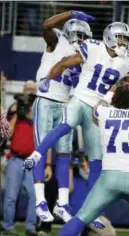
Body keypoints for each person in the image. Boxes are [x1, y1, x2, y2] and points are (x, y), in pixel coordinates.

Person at [23, 22, 129, 227]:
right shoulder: (92, 48)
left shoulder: (128, 62)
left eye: (127, 40)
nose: (125, 43)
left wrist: (128, 98)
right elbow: (65, 61)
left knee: (96, 159)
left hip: (96, 109)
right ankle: (37, 155)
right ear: (111, 36)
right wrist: (48, 78)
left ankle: (89, 210)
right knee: (65, 127)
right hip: (77, 100)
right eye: (122, 39)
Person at [57, 82, 129, 236]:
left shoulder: (105, 113)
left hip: (109, 178)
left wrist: (110, 92)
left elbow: (96, 110)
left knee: (81, 217)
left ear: (115, 98)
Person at [32, 10, 95, 223]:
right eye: (78, 34)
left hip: (66, 104)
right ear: (68, 32)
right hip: (46, 99)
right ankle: (40, 201)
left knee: (64, 155)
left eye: (84, 36)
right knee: (40, 150)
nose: (81, 39)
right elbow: (46, 26)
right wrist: (69, 13)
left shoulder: (84, 55)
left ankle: (62, 204)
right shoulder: (57, 41)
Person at [2, 81, 38, 236]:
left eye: (32, 90)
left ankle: (31, 227)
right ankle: (8, 226)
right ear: (23, 91)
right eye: (27, 90)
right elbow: (7, 132)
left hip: (31, 160)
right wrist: (17, 112)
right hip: (15, 159)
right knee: (11, 196)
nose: (29, 93)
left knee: (34, 195)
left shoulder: (38, 111)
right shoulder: (14, 108)